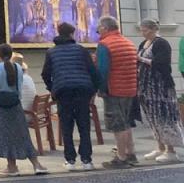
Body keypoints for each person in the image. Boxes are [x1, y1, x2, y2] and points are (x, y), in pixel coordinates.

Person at [42, 22, 100, 170]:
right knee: (84, 125)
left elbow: (45, 74)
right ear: (71, 34)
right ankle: (87, 160)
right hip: (82, 90)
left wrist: (53, 88)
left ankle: (70, 160)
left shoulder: (51, 52)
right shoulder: (81, 50)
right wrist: (93, 89)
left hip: (63, 91)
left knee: (66, 126)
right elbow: (93, 71)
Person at [0, 44, 48, 177]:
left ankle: (12, 167)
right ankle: (37, 165)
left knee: (6, 136)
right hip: (15, 104)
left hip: (1, 105)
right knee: (22, 134)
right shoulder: (18, 68)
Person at [94, 16, 140, 168]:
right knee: (126, 122)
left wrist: (100, 89)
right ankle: (131, 153)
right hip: (130, 88)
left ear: (105, 28)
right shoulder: (128, 42)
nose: (98, 30)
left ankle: (121, 157)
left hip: (114, 89)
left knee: (117, 125)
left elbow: (103, 70)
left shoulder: (105, 44)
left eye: (99, 28)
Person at [137, 19, 184, 163]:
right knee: (153, 118)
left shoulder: (161, 43)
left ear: (152, 30)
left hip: (160, 86)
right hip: (146, 86)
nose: (142, 32)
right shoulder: (143, 44)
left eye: (144, 30)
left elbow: (161, 63)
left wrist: (142, 59)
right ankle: (160, 146)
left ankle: (171, 150)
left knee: (164, 117)